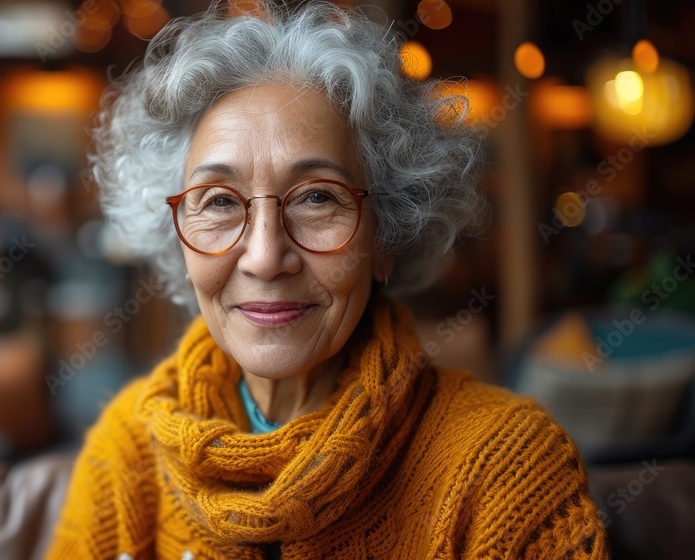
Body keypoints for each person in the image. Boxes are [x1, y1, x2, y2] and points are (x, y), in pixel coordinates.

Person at [47, 2, 609, 559]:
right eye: (218, 201)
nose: (265, 257)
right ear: (177, 239)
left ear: (385, 237)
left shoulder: (507, 470)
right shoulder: (125, 451)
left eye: (318, 197)